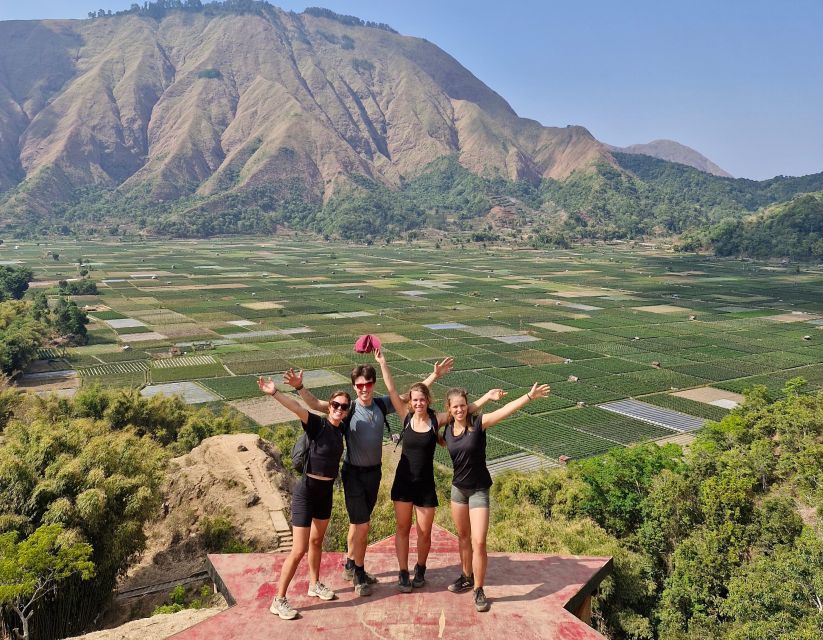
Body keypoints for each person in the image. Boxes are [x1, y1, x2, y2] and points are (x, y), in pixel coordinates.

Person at [283, 348, 454, 596]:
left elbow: (406, 397)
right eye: (360, 385)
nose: (364, 388)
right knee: (362, 525)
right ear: (354, 386)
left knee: (358, 524)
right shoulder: (346, 407)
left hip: (374, 474)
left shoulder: (381, 405)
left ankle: (351, 563)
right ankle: (359, 573)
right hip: (353, 473)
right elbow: (314, 404)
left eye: (368, 384)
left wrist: (433, 376)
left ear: (373, 384)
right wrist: (300, 387)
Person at [377, 349, 506, 593]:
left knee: (424, 533)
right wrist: (384, 364)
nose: (417, 403)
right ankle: (403, 572)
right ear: (411, 402)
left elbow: (465, 409)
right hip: (403, 481)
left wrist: (488, 397)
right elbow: (393, 391)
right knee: (402, 529)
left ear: (428, 401)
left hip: (425, 484)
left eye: (422, 400)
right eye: (414, 400)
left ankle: (420, 569)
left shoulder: (437, 420)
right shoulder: (405, 416)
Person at [442, 382, 551, 612]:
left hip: (479, 489)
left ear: (467, 407)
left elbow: (505, 410)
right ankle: (465, 576)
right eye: (455, 407)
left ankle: (479, 589)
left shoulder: (479, 423)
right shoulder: (447, 431)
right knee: (463, 537)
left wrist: (528, 396)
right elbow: (424, 424)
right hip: (458, 490)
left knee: (479, 541)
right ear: (449, 409)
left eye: (463, 406)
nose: (460, 410)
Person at [256, 377, 349, 620]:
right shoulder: (318, 425)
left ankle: (314, 584)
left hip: (325, 494)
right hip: (306, 491)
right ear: (329, 406)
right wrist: (275, 392)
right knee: (298, 550)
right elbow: (297, 408)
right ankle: (279, 599)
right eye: (336, 405)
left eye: (344, 407)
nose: (339, 409)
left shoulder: (341, 432)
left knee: (317, 543)